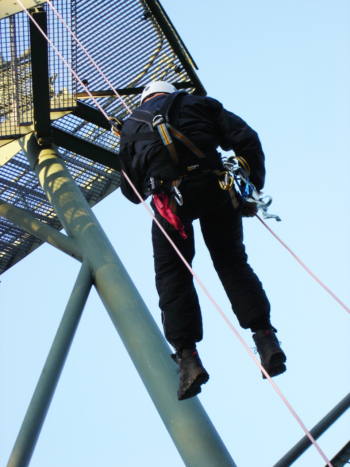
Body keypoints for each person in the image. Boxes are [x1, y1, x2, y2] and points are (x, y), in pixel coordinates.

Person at [118, 81, 286, 401]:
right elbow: (246, 139)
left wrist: (142, 156)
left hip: (172, 204)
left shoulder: (130, 126)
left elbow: (131, 192)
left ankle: (188, 359)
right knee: (231, 262)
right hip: (215, 188)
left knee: (173, 276)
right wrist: (251, 190)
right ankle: (266, 339)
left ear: (145, 99)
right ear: (170, 92)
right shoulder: (201, 104)